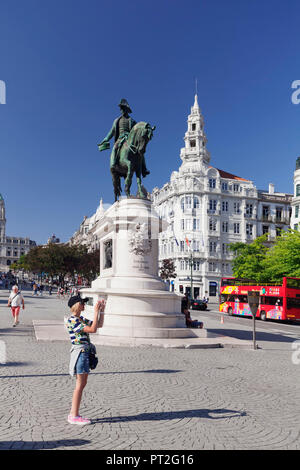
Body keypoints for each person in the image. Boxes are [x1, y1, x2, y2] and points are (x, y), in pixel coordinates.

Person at [65, 294, 105, 426]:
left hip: (85, 353)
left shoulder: (80, 318)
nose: (84, 305)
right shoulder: (73, 321)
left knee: (82, 385)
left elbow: (98, 325)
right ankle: (73, 415)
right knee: (79, 386)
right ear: (76, 305)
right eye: (82, 303)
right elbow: (92, 329)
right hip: (80, 353)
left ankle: (74, 414)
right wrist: (95, 311)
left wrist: (102, 311)